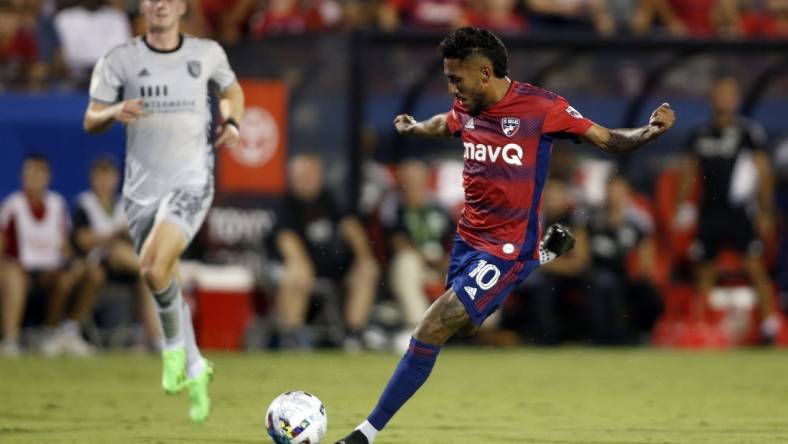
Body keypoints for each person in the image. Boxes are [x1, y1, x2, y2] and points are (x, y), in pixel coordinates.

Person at [335, 27, 675, 444]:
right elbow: (450, 123)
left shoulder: (540, 108)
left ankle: (363, 434)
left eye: (455, 78)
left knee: (431, 327)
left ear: (485, 72)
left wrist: (650, 131)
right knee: (465, 328)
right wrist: (417, 128)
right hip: (468, 240)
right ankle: (539, 257)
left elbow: (608, 140)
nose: (451, 87)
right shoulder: (467, 104)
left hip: (504, 248)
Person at [83, 0, 244, 422]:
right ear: (142, 6)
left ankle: (173, 349)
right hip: (140, 192)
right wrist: (115, 111)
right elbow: (91, 118)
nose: (160, 5)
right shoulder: (120, 59)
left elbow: (232, 91)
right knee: (161, 272)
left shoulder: (206, 53)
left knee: (154, 269)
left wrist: (233, 122)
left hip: (190, 181)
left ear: (181, 6)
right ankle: (194, 367)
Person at [676, 75, 779, 342]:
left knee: (754, 267)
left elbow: (763, 172)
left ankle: (770, 326)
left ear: (735, 99)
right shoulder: (699, 133)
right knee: (704, 269)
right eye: (719, 93)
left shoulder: (747, 132)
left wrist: (766, 210)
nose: (723, 98)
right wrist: (683, 205)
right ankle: (698, 327)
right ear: (713, 97)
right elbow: (689, 170)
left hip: (739, 211)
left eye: (728, 94)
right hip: (708, 210)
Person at [272, 153, 379, 351]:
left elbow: (351, 226)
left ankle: (353, 335)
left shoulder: (329, 199)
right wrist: (302, 264)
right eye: (301, 177)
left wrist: (364, 257)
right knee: (296, 273)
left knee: (367, 270)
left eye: (310, 175)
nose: (306, 181)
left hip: (333, 267)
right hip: (299, 268)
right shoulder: (286, 204)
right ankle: (292, 336)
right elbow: (286, 240)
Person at [0, 154, 99, 357]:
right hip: (22, 270)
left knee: (92, 274)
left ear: (48, 176)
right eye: (31, 172)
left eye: (40, 172)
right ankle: (10, 340)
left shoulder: (57, 204)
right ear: (22, 176)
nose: (35, 177)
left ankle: (62, 332)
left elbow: (64, 245)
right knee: (13, 276)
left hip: (52, 269)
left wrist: (75, 262)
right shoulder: (13, 205)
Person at [72, 156, 161, 349]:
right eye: (100, 177)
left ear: (116, 178)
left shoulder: (123, 206)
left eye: (108, 176)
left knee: (144, 276)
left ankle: (155, 337)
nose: (104, 182)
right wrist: (115, 234)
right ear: (92, 179)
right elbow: (83, 240)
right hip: (96, 261)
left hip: (124, 267)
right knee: (118, 251)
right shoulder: (85, 204)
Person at [381, 159, 453, 342]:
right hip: (414, 263)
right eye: (408, 179)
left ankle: (480, 328)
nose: (413, 183)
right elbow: (397, 242)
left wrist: (449, 260)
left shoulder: (439, 206)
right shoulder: (393, 205)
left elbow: (456, 239)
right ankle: (418, 328)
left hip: (441, 264)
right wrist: (426, 258)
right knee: (406, 261)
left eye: (417, 178)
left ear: (426, 179)